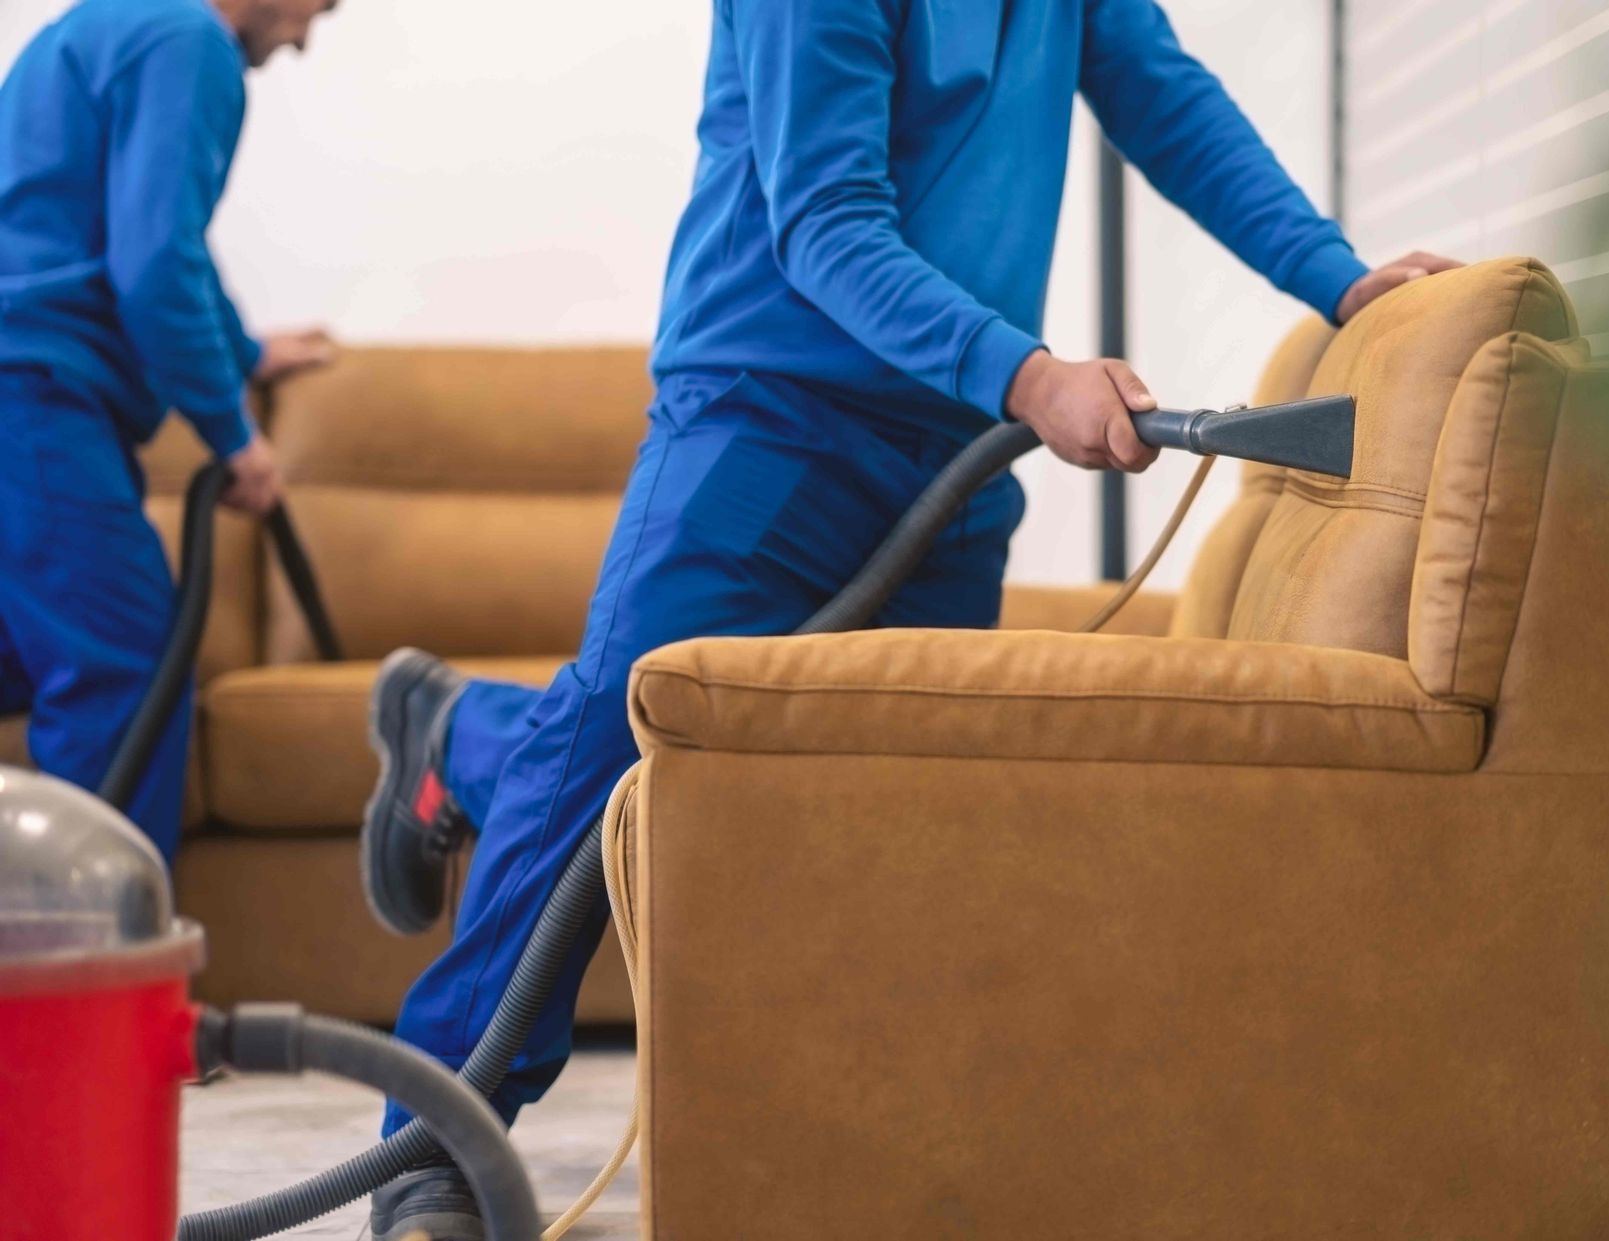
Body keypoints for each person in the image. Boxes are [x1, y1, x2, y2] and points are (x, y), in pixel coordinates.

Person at [357, 1, 1460, 1233]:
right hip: (769, 414)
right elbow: (825, 218)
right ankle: (434, 1150)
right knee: (612, 748)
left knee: (887, 798)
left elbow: (1166, 99)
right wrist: (1036, 377)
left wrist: (1342, 280)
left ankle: (452, 728)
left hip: (950, 440)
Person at [0, 0, 339, 861]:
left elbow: (151, 235)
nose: (303, 39)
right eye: (320, 9)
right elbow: (155, 263)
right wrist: (234, 436)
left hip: (26, 386)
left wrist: (245, 349)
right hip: (34, 394)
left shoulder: (114, 23)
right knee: (126, 657)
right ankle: (89, 979)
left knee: (27, 654)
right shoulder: (192, 43)